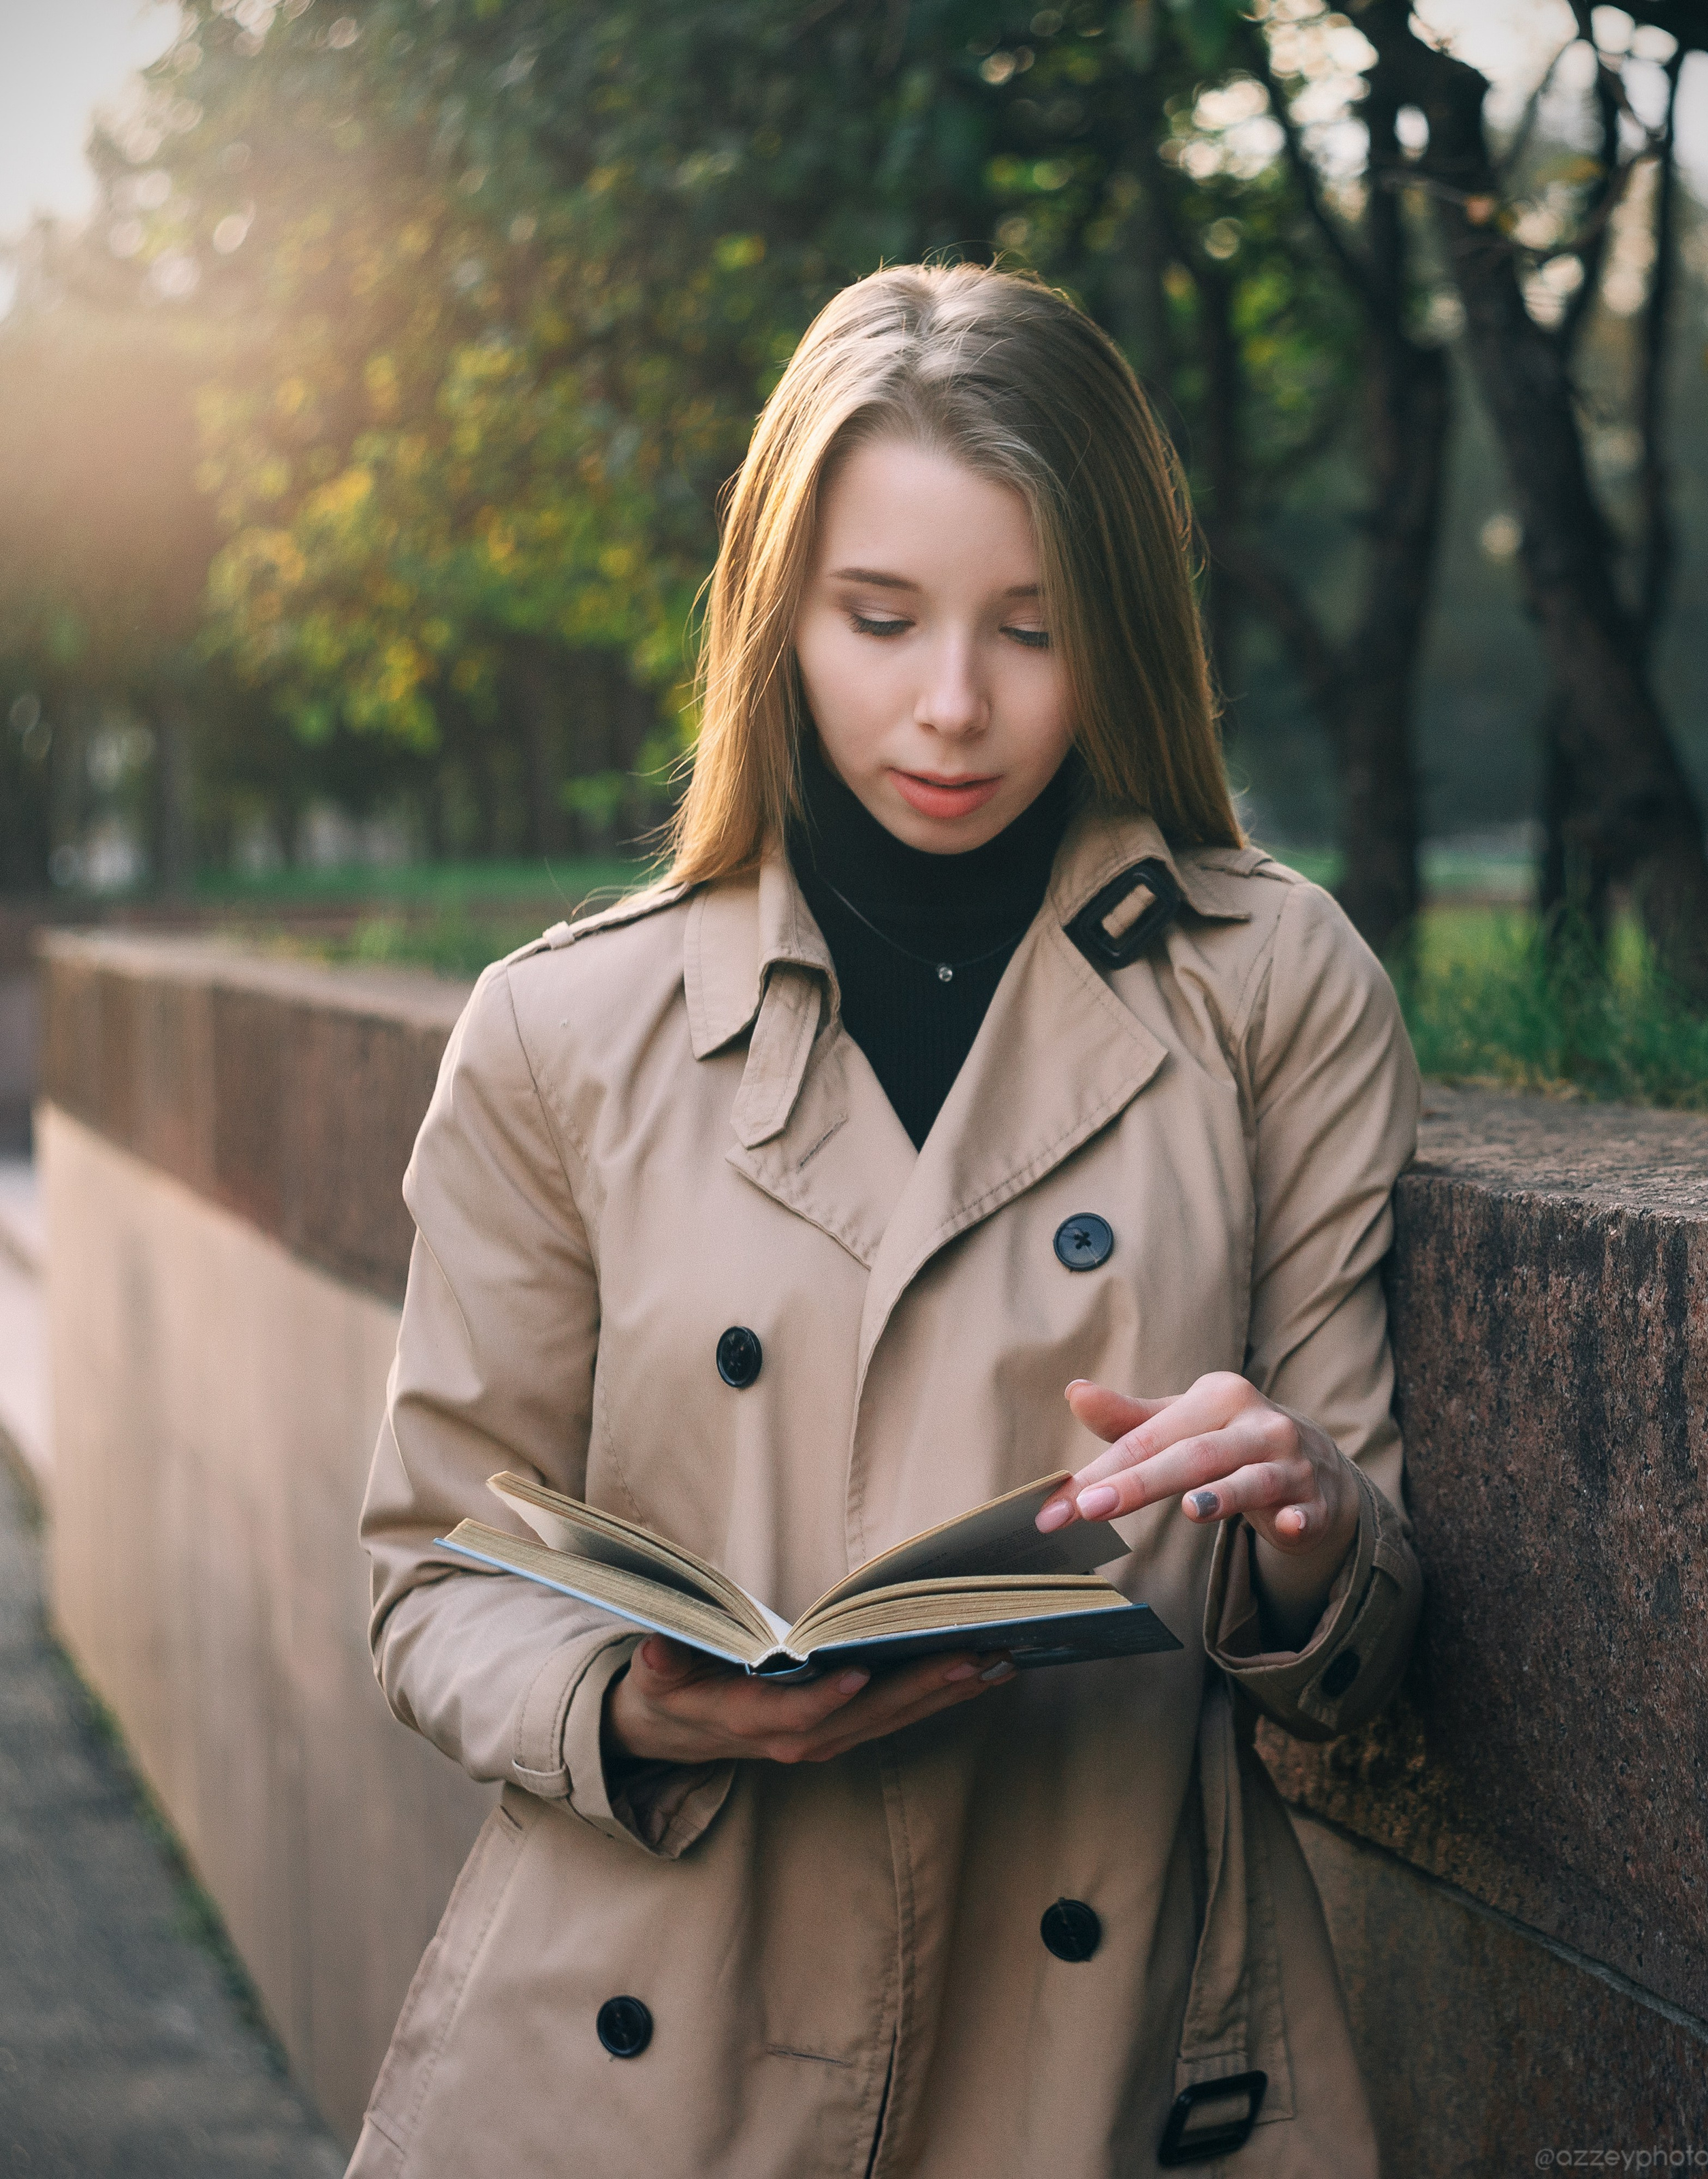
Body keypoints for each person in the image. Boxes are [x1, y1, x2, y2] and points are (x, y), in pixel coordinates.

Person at [349, 263, 1422, 2179]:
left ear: (1123, 628)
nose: (952, 705)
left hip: (1099, 2038)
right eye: (879, 619)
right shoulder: (563, 1029)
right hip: (652, 2036)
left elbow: (1366, 1613)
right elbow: (434, 1571)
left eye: (1034, 628)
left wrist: (1305, 1515)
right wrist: (638, 1704)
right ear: (777, 613)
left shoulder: (1273, 989)